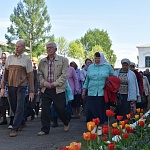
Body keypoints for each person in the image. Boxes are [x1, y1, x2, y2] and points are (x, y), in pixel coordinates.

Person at [1, 40, 34, 137]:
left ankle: (14, 128)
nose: (17, 48)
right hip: (11, 85)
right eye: (16, 46)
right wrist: (2, 87)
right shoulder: (10, 58)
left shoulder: (27, 59)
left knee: (20, 106)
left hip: (22, 86)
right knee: (14, 106)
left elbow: (31, 76)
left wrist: (32, 91)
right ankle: (22, 122)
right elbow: (5, 74)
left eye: (19, 46)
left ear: (23, 47)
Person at [37, 42, 70, 136]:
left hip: (58, 89)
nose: (48, 49)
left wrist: (54, 84)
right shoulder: (42, 61)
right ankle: (45, 129)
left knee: (59, 108)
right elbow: (39, 74)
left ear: (56, 49)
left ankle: (66, 121)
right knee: (45, 109)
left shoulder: (63, 60)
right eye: (47, 48)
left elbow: (64, 75)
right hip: (46, 89)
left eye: (51, 47)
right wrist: (44, 83)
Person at [82, 52, 114, 124]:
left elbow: (113, 77)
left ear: (102, 58)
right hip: (91, 92)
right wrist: (84, 91)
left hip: (102, 93)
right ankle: (92, 125)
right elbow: (87, 80)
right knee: (91, 109)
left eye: (98, 58)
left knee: (100, 110)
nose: (97, 60)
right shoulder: (90, 67)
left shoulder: (107, 67)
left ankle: (101, 125)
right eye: (95, 58)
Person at [0, 53, 9, 125]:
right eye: (2, 58)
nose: (3, 59)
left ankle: (13, 120)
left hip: (8, 87)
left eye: (4, 58)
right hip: (1, 88)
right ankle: (4, 119)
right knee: (2, 104)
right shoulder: (0, 67)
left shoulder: (10, 67)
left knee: (10, 104)